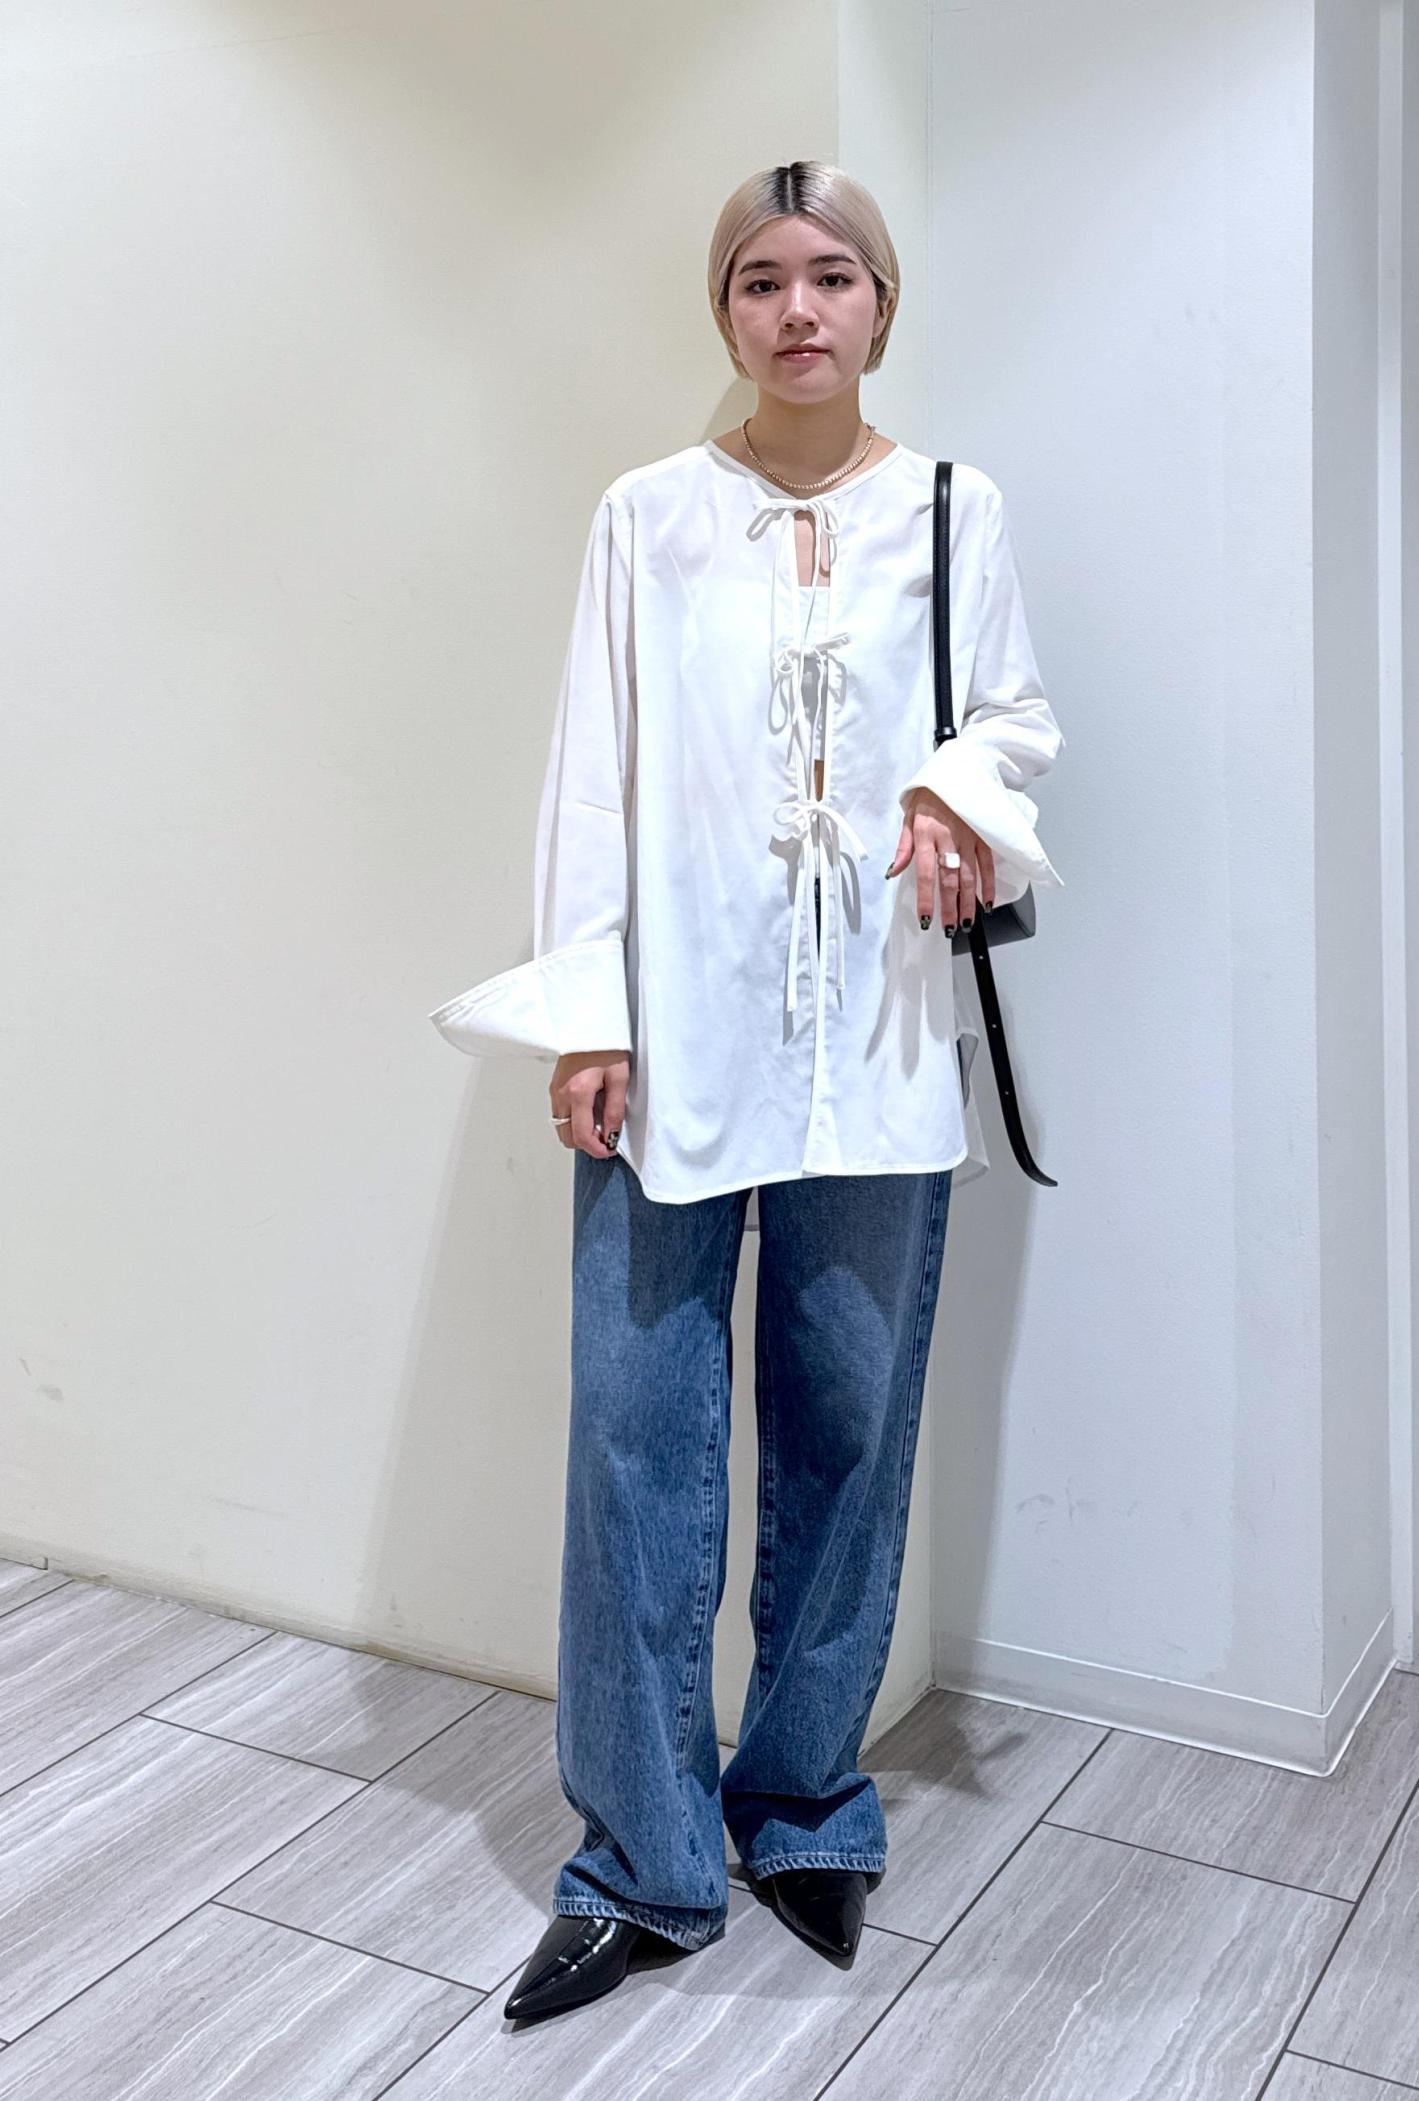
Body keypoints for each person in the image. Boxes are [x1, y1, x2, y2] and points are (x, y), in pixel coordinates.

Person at [433, 159, 1065, 2023]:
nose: (800, 309)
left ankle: (800, 1805)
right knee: (637, 1440)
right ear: (724, 310)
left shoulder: (954, 509)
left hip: (877, 1040)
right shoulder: (647, 517)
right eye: (763, 279)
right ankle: (642, 1856)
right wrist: (587, 1017)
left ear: (883, 304)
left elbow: (1015, 714)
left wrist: (956, 786)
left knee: (850, 1428)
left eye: (834, 275)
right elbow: (592, 771)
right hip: (675, 1037)